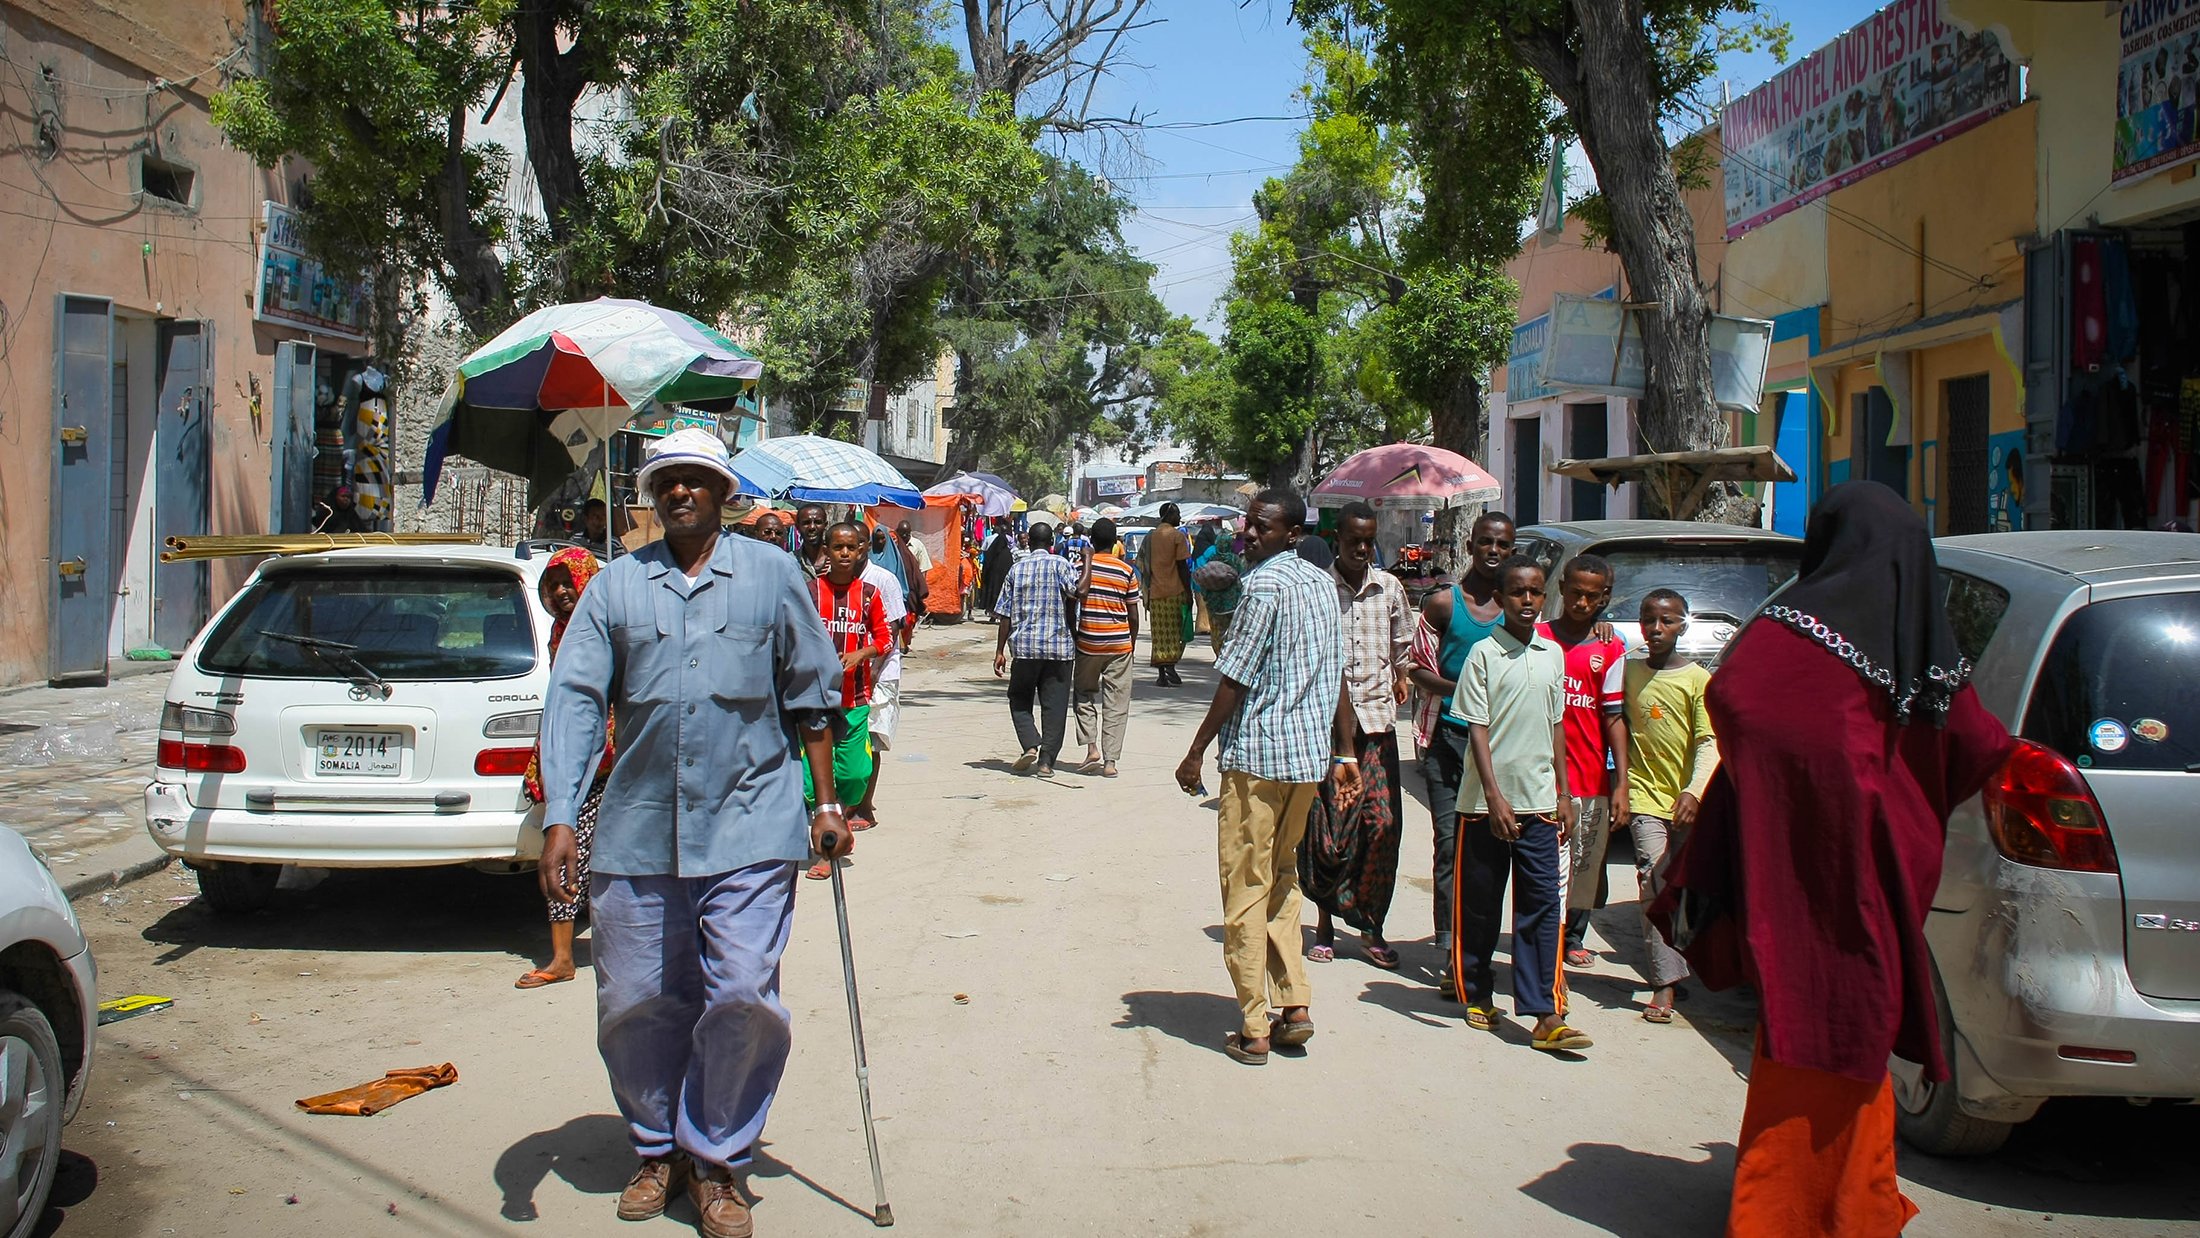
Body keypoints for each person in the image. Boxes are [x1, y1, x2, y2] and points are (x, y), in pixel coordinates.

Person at [1648, 482, 2012, 1237]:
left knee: (1807, 1023)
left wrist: (1794, 791)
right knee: (1852, 1026)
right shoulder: (1918, 648)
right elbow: (1979, 745)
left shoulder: (1787, 629)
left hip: (1793, 880)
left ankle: (1814, 1205)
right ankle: (1829, 1210)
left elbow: (1738, 700)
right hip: (1873, 884)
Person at [536, 427, 848, 1238]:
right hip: (639, 830)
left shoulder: (776, 576)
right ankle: (656, 1147)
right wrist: (562, 815)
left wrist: (827, 803)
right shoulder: (613, 589)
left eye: (695, 480)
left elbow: (813, 696)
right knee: (636, 1002)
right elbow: (573, 700)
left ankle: (717, 1160)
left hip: (752, 822)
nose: (679, 492)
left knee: (742, 992)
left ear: (722, 494)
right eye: (666, 481)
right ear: (652, 495)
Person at [1174, 489, 1356, 1066]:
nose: (1251, 535)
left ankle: (1254, 1024)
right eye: (1249, 525)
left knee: (1245, 886)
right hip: (1305, 762)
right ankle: (1294, 1003)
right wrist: (1343, 751)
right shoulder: (1323, 586)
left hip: (1258, 759)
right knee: (1282, 878)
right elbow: (1336, 675)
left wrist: (1196, 750)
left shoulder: (1264, 586)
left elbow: (1234, 676)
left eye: (1264, 528)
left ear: (1292, 534)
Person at [1449, 555, 1589, 1053]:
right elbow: (1477, 728)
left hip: (1541, 801)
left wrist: (1565, 792)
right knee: (1482, 907)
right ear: (1501, 599)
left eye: (1534, 592)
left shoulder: (1551, 655)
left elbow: (1557, 726)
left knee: (1542, 906)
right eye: (1517, 593)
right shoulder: (1484, 655)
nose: (1527, 601)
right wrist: (1493, 796)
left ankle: (1543, 1012)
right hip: (1487, 806)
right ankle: (1477, 991)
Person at [1300, 502, 1412, 970]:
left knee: (1382, 826)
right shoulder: (1319, 591)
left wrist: (1402, 675)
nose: (1362, 549)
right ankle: (1325, 924)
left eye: (1369, 541)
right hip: (1329, 730)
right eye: (1354, 541)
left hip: (1378, 725)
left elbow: (1402, 644)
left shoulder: (1389, 588)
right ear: (1337, 541)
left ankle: (1371, 927)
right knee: (1332, 834)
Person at [1408, 511, 1514, 980]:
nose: (1494, 551)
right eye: (1486, 542)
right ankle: (1449, 949)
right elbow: (1416, 668)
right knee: (1450, 845)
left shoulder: (1518, 608)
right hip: (1448, 742)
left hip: (1500, 747)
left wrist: (1599, 630)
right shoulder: (1443, 605)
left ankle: (1478, 947)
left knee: (1489, 851)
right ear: (1470, 546)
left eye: (1503, 545)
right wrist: (1462, 689)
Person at [516, 546, 612, 990]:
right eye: (552, 585)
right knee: (564, 851)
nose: (560, 591)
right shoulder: (559, 631)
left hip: (611, 756)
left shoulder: (604, 627)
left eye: (566, 582)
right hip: (577, 761)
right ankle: (561, 956)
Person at [1621, 588, 1715, 1023]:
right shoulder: (1630, 671)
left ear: (1683, 624)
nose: (1656, 629)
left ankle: (1680, 965)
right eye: (1648, 620)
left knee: (1685, 889)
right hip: (1644, 795)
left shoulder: (1697, 679)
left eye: (1668, 621)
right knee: (1653, 880)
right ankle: (1664, 984)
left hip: (1687, 803)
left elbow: (1708, 742)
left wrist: (1694, 791)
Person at [1542, 555, 1632, 972]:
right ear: (1561, 589)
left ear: (1605, 598)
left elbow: (1613, 715)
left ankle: (1573, 935)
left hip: (1589, 772)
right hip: (1540, 774)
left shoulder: (1610, 647)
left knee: (1584, 862)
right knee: (1545, 863)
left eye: (1591, 597)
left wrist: (1621, 783)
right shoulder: (1537, 637)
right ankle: (1544, 932)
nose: (1581, 603)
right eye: (1575, 593)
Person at [804, 522, 895, 880]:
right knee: (810, 782)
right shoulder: (810, 593)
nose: (844, 554)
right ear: (826, 550)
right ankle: (828, 844)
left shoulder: (869, 595)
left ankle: (841, 817)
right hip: (813, 701)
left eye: (851, 548)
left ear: (861, 551)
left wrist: (861, 655)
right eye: (836, 547)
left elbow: (885, 639)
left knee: (855, 772)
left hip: (854, 699)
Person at [992, 521, 1079, 777]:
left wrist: (999, 651)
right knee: (1055, 706)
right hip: (1058, 648)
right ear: (1051, 541)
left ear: (1028, 541)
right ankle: (1046, 763)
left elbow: (1004, 614)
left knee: (1019, 699)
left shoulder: (1016, 570)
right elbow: (1076, 592)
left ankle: (1030, 742)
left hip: (1025, 648)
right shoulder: (1062, 565)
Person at [852, 531, 913, 834]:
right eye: (841, 546)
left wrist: (873, 670)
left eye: (856, 544)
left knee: (872, 738)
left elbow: (891, 628)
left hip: (879, 672)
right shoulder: (836, 579)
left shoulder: (883, 579)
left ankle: (865, 806)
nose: (849, 551)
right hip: (848, 674)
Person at [1072, 517, 1139, 778]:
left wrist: (1075, 634)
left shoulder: (1080, 566)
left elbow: (1072, 601)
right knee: (1117, 703)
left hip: (1088, 641)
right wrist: (1130, 642)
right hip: (1119, 643)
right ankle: (1110, 762)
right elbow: (1133, 613)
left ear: (1092, 541)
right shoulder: (1126, 571)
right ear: (1114, 544)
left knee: (1083, 694)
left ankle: (1091, 748)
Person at [1140, 502, 1194, 686]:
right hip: (1175, 592)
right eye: (1177, 513)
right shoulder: (1178, 536)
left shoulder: (1150, 537)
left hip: (1155, 593)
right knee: (1179, 633)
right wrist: (1189, 592)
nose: (1179, 517)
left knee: (1160, 635)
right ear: (1169, 515)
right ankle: (1171, 664)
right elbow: (1182, 567)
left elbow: (1142, 564)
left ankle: (1162, 674)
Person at [893, 519, 932, 624]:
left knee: (910, 614)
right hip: (897, 584)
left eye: (907, 534)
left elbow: (923, 568)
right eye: (902, 534)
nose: (904, 536)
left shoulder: (917, 545)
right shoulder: (893, 543)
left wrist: (920, 587)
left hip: (911, 586)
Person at [978, 521, 1015, 614]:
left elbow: (987, 562)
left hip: (992, 581)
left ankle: (991, 611)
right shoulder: (1008, 554)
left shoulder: (992, 553)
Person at [794, 503, 830, 576]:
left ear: (825, 525)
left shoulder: (837, 559)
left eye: (817, 522)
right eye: (806, 523)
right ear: (797, 527)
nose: (812, 527)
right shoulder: (791, 561)